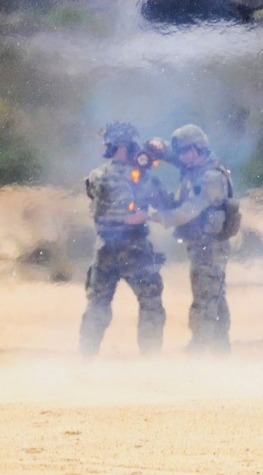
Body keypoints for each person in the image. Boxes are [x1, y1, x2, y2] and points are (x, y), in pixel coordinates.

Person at [79, 121, 171, 357]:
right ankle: (150, 360)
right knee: (151, 303)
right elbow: (166, 204)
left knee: (97, 305)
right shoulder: (143, 178)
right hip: (135, 249)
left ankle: (85, 359)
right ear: (127, 145)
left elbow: (92, 194)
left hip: (104, 250)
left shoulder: (96, 175)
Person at [148, 124, 233, 354]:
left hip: (211, 246)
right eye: (180, 152)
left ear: (198, 149)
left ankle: (199, 346)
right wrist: (158, 145)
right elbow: (172, 154)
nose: (181, 157)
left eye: (185, 151)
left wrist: (157, 216)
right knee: (215, 295)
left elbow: (189, 210)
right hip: (201, 244)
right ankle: (220, 350)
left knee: (205, 296)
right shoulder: (193, 164)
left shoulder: (211, 177)